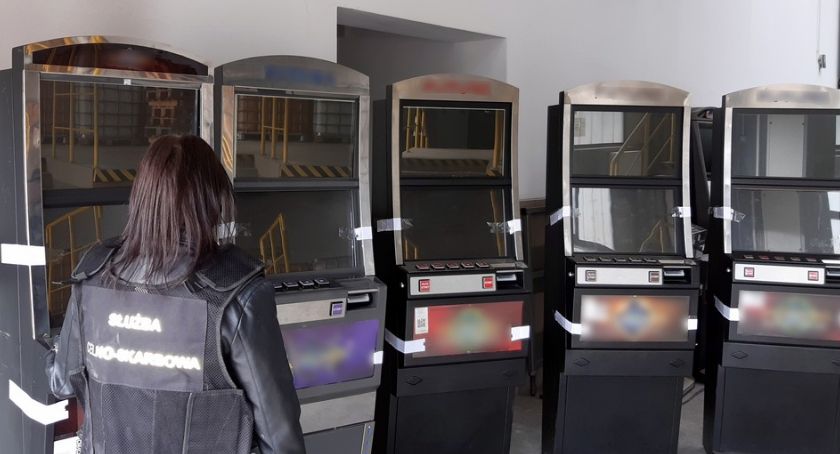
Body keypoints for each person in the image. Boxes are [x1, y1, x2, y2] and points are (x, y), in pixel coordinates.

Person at [46, 135, 306, 454]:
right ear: (212, 201)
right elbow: (280, 439)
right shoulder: (236, 294)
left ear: (141, 197)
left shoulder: (93, 277)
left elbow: (61, 381)